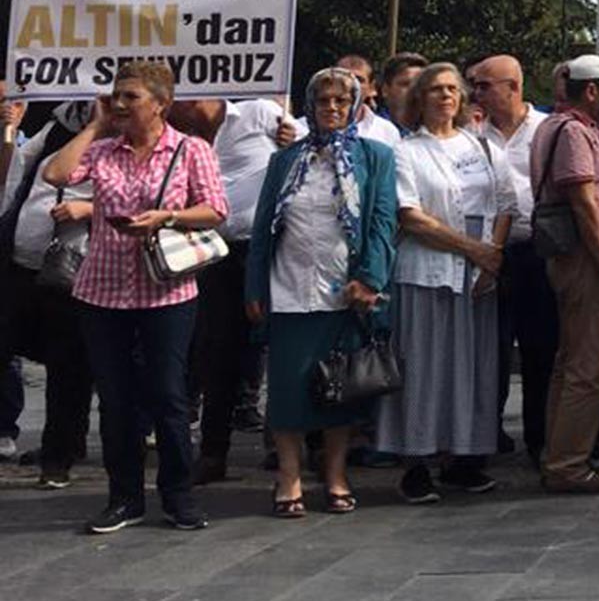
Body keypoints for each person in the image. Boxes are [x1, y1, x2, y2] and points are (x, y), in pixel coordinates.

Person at [41, 62, 229, 534]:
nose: (121, 104)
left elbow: (215, 211)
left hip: (165, 291)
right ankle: (123, 497)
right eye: (117, 96)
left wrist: (165, 217)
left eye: (131, 98)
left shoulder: (190, 150)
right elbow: (56, 173)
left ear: (160, 104)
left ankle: (177, 494)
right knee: (117, 399)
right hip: (102, 291)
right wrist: (95, 124)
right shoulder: (105, 150)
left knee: (167, 395)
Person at [245, 67, 399, 517]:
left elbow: (382, 222)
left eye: (339, 101)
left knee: (339, 388)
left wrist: (370, 278)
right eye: (322, 101)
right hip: (289, 286)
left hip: (343, 290)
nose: (330, 108)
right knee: (288, 390)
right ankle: (289, 475)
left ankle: (335, 474)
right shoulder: (286, 160)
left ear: (353, 107)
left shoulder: (375, 157)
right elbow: (262, 230)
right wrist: (255, 286)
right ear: (309, 106)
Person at [375, 63, 516, 503]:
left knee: (471, 367)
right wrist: (472, 250)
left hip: (477, 275)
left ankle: (464, 458)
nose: (445, 96)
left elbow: (505, 202)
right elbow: (410, 214)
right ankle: (416, 460)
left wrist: (490, 257)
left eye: (452, 89)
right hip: (429, 271)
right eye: (435, 89)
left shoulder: (482, 146)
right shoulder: (406, 150)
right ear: (420, 98)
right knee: (423, 367)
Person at [170, 95, 298, 484]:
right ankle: (212, 452)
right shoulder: (176, 137)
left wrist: (292, 137)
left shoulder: (259, 113)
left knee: (285, 349)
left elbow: (309, 143)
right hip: (217, 256)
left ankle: (288, 446)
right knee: (216, 353)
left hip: (272, 250)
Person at [532, 55, 599, 492]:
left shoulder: (557, 126)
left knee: (569, 361)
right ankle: (569, 466)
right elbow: (583, 202)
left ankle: (558, 455)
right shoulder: (573, 131)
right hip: (585, 258)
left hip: (574, 256)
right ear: (590, 90)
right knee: (587, 367)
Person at [0, 98, 95, 489]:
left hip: (73, 268)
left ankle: (60, 455)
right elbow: (14, 178)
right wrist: (7, 132)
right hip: (23, 261)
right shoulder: (58, 126)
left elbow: (150, 194)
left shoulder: (125, 138)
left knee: (66, 365)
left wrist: (89, 208)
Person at [470, 55, 553, 464]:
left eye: (484, 85)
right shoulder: (471, 134)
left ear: (513, 87)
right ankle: (486, 432)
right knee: (491, 348)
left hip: (536, 251)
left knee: (540, 348)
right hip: (490, 252)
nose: (476, 93)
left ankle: (540, 436)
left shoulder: (546, 129)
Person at [376, 52, 428, 132]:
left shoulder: (435, 130)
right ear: (385, 90)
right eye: (405, 84)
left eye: (419, 84)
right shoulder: (371, 130)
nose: (414, 90)